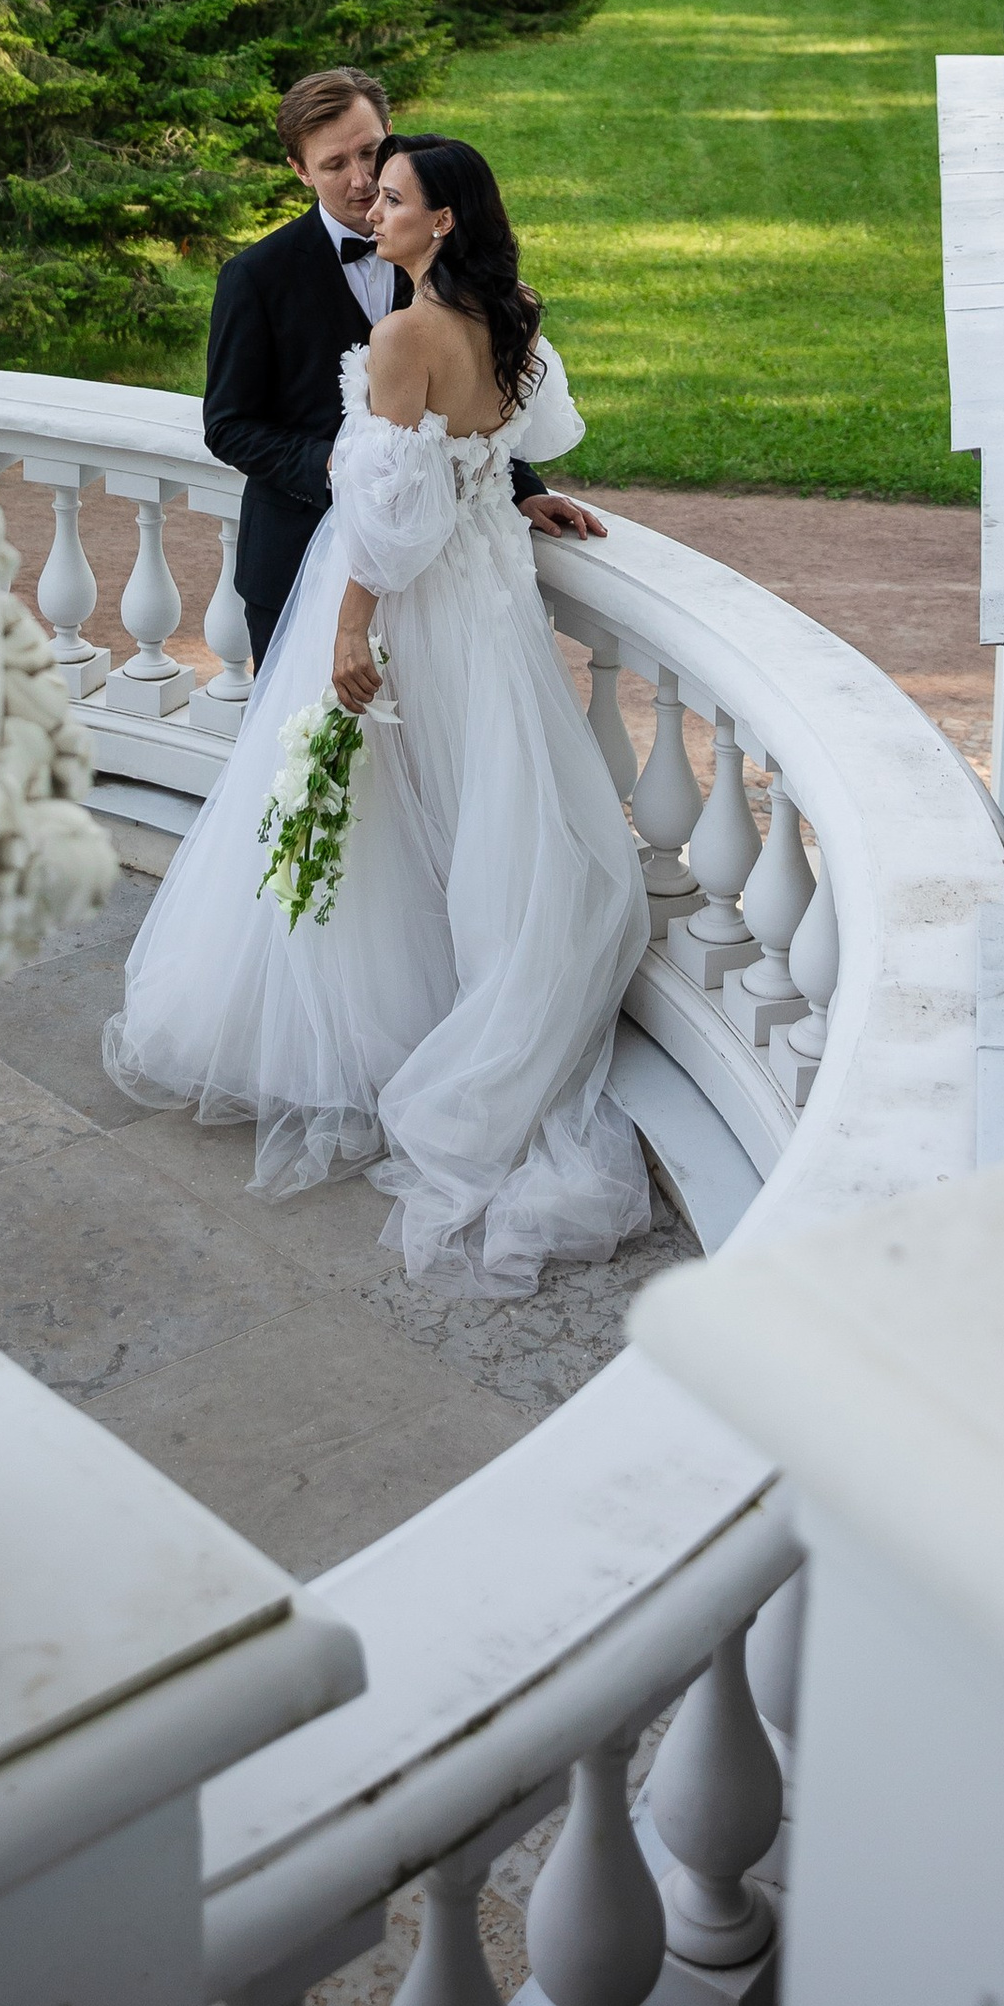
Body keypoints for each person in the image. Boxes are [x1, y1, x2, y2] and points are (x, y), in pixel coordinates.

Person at [105, 135, 652, 1298]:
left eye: (394, 196)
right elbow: (521, 440)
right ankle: (459, 1001)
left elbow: (387, 523)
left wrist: (350, 629)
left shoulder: (406, 336)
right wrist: (508, 490)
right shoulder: (513, 319)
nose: (373, 206)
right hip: (493, 604)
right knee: (475, 802)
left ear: (441, 222)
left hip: (416, 603)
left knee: (376, 808)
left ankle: (383, 1034)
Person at [202, 67, 601, 668]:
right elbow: (228, 425)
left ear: (390, 135)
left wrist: (520, 488)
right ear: (300, 171)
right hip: (295, 562)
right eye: (335, 164)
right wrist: (337, 465)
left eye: (370, 153)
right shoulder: (255, 278)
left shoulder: (459, 273)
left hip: (438, 580)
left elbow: (465, 400)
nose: (362, 182)